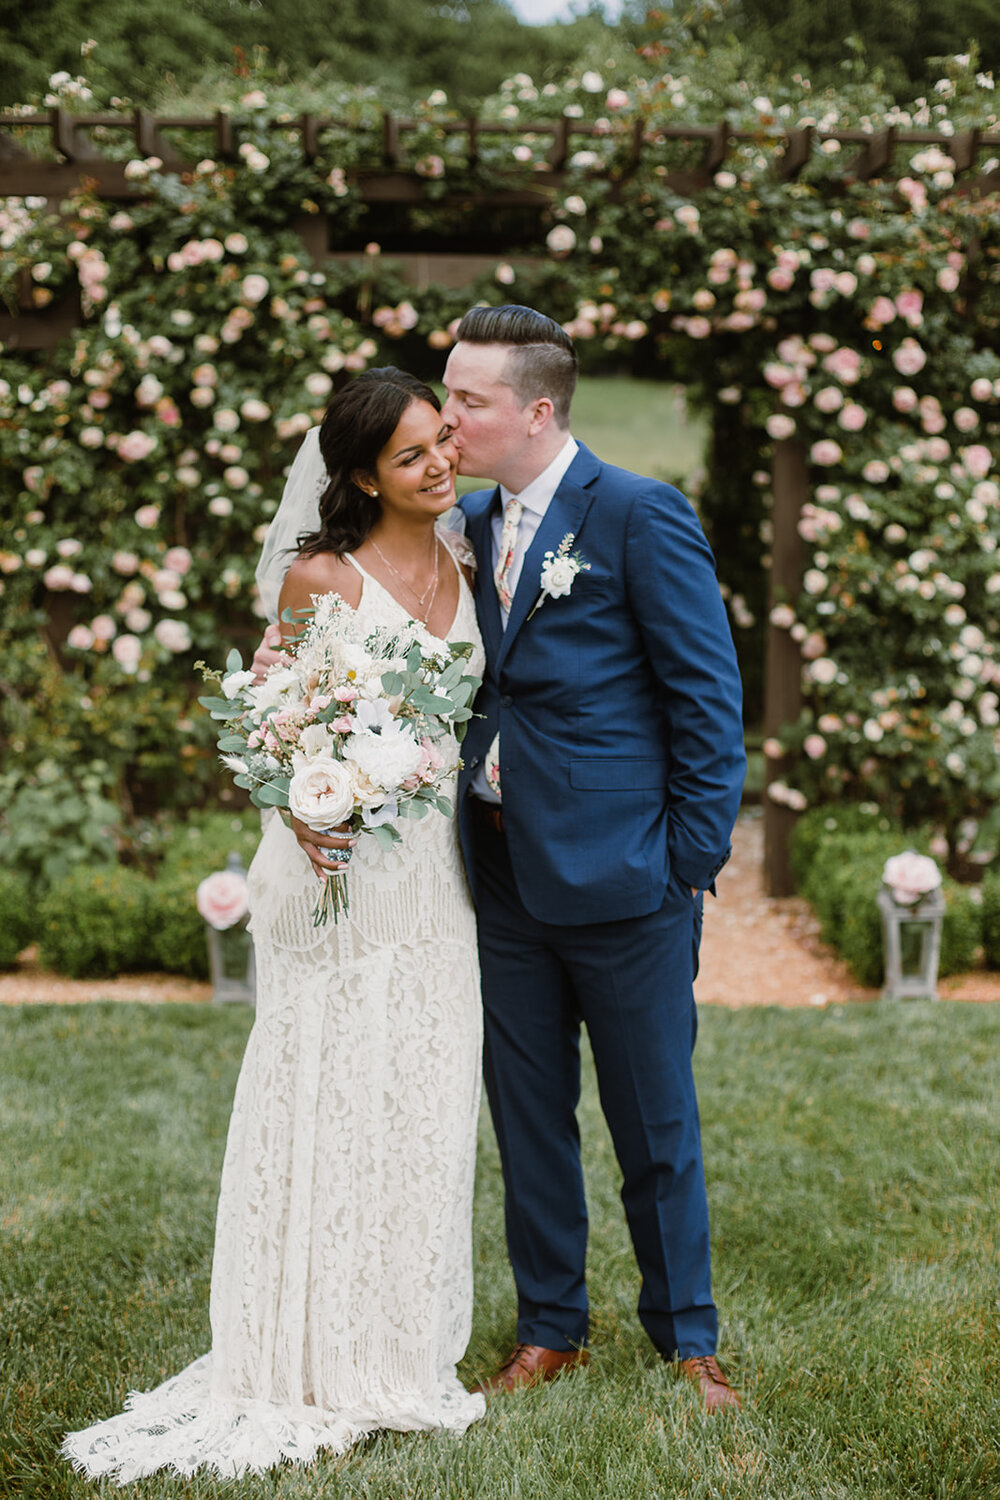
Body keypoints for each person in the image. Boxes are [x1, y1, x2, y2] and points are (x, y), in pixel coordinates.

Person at [268, 307, 746, 1412]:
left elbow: (706, 703)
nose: (448, 418)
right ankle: (551, 1331)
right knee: (529, 1118)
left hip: (630, 882)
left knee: (652, 1120)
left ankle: (686, 1340)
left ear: (536, 409)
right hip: (496, 878)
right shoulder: (459, 524)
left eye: (468, 401)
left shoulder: (636, 514)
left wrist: (686, 862)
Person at [63, 370, 486, 1483]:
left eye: (441, 441)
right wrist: (308, 807)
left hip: (438, 880)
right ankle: (304, 1349)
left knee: (423, 1102)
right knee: (328, 1096)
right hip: (336, 878)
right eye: (409, 457)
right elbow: (273, 716)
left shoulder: (469, 554)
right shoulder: (318, 576)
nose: (439, 464)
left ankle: (397, 1341)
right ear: (357, 476)